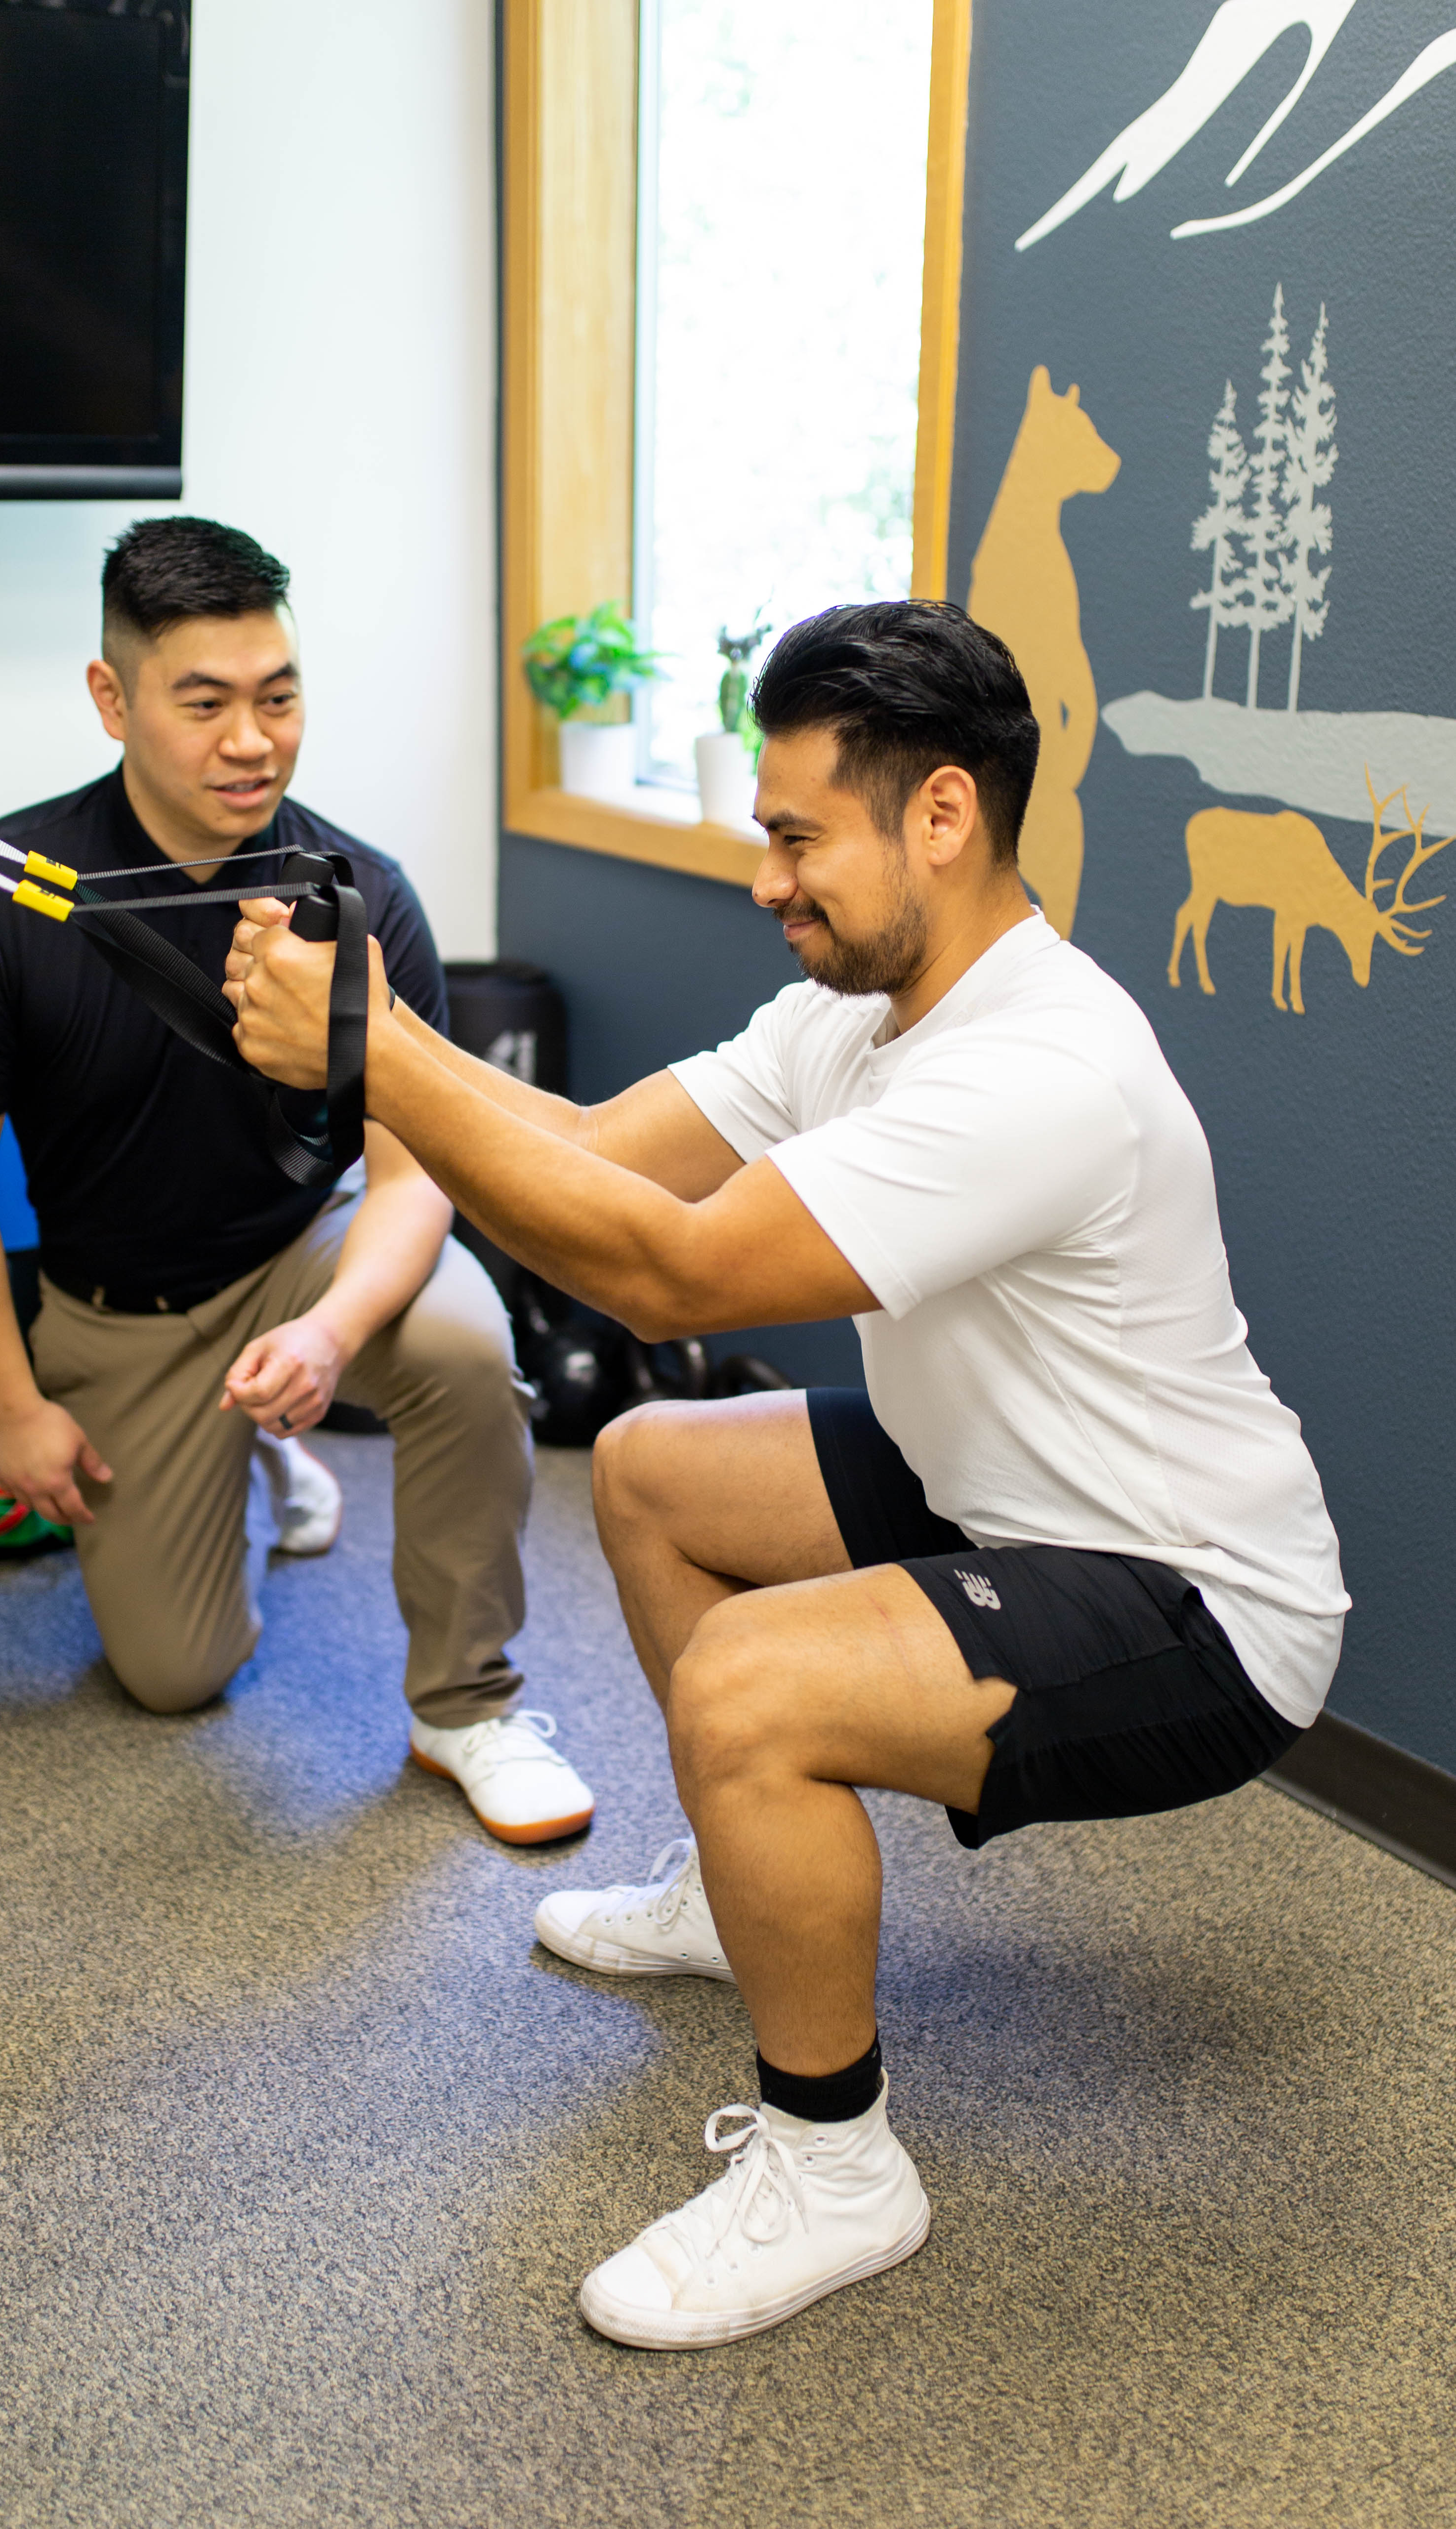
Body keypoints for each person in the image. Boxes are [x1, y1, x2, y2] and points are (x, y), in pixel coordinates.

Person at [223, 597, 1348, 2351]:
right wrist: (385, 1035)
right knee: (659, 1470)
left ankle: (836, 2166)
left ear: (942, 818)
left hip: (1195, 1598)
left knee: (751, 1686)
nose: (767, 875)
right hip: (996, 1484)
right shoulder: (860, 1010)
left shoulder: (1036, 1072)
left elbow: (669, 1274)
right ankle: (731, 1891)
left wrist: (372, 1056)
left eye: (793, 835)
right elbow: (593, 1157)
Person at [0, 516, 594, 1847]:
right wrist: (13, 1406)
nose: (252, 740)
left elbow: (411, 1180)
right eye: (203, 703)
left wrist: (328, 1333)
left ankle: (469, 1704)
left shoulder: (360, 893)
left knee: (455, 1334)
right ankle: (266, 1476)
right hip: (121, 1311)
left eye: (278, 696)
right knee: (173, 1678)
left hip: (300, 1253)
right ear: (112, 698)